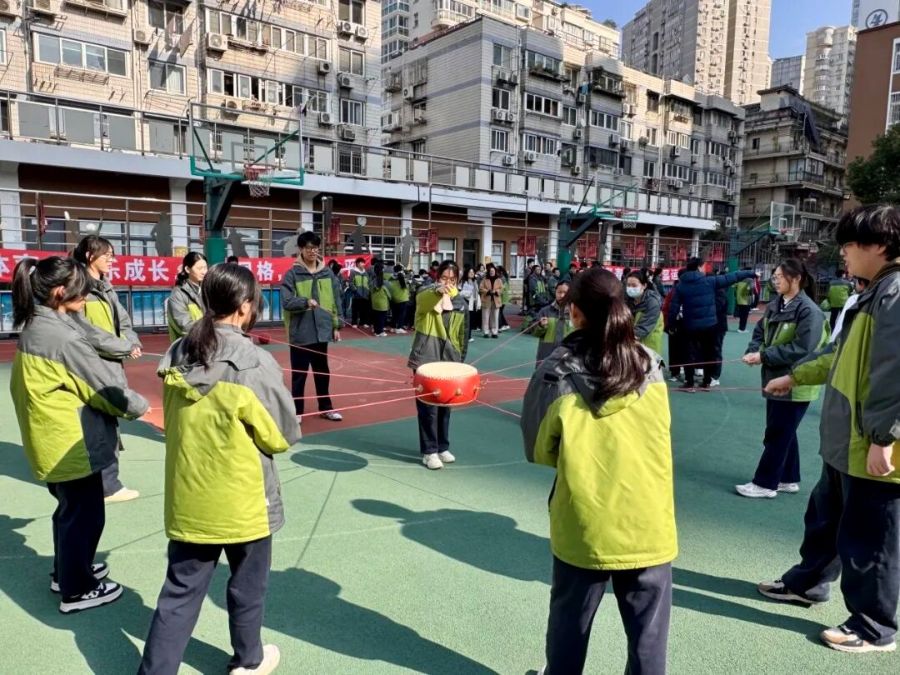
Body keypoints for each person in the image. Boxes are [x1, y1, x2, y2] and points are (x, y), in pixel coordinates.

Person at [139, 264, 300, 674]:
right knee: (248, 586)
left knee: (179, 593)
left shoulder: (179, 351)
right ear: (245, 305)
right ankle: (248, 659)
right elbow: (283, 433)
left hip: (190, 496)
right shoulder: (253, 361)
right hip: (244, 500)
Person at [756, 205, 900, 653]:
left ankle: (874, 627)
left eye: (850, 244)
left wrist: (885, 437)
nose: (843, 253)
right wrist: (795, 375)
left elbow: (896, 373)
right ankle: (809, 583)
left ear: (880, 246)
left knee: (871, 539)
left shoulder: (895, 294)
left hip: (874, 443)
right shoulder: (873, 292)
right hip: (846, 440)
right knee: (825, 519)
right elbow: (839, 355)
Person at [521, 267, 676, 675]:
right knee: (648, 639)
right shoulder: (652, 364)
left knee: (569, 625)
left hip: (585, 520)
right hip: (650, 519)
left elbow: (538, 449)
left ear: (574, 312)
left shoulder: (556, 372)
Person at [9, 256, 149, 613]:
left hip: (52, 436)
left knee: (70, 511)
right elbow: (101, 387)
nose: (85, 296)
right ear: (60, 292)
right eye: (80, 290)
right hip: (69, 440)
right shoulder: (61, 337)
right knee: (85, 515)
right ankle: (77, 588)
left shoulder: (42, 323)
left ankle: (70, 570)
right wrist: (139, 406)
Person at [736, 259, 828, 499]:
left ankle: (765, 484)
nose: (775, 281)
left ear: (796, 278)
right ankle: (788, 478)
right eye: (774, 277)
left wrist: (764, 355)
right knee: (785, 431)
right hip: (774, 377)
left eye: (779, 277)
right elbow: (759, 331)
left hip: (795, 382)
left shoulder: (809, 311)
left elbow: (803, 348)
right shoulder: (776, 304)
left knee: (777, 433)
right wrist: (754, 350)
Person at [72, 235, 143, 504]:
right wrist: (123, 346)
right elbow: (87, 331)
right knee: (97, 426)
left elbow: (123, 321)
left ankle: (107, 483)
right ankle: (106, 486)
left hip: (111, 364)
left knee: (108, 424)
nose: (111, 260)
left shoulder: (107, 286)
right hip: (92, 366)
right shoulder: (78, 287)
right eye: (107, 255)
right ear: (90, 256)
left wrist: (131, 342)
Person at [408, 260, 469, 470]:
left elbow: (463, 334)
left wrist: (460, 361)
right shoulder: (427, 293)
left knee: (445, 406)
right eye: (444, 278)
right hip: (426, 358)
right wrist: (437, 291)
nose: (448, 282)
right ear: (437, 277)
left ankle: (442, 446)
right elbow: (422, 299)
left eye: (452, 279)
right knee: (428, 407)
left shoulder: (461, 303)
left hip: (450, 360)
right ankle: (429, 451)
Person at [281, 231, 344, 423]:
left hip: (322, 332)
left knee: (322, 372)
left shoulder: (327, 273)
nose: (312, 251)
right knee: (299, 375)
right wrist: (305, 302)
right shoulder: (292, 274)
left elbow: (336, 300)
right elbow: (287, 302)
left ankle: (326, 408)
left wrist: (336, 325)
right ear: (301, 249)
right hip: (300, 332)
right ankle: (297, 411)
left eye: (315, 248)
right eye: (308, 248)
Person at [667, 257, 756, 391]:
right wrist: (750, 273)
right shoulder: (709, 281)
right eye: (704, 266)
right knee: (709, 353)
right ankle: (706, 382)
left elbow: (674, 307)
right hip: (709, 325)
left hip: (690, 325)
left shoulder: (681, 285)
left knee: (689, 353)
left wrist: (671, 324)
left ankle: (689, 383)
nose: (705, 269)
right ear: (699, 267)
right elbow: (731, 277)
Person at [167, 252, 208, 341]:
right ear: (187, 269)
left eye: (205, 268)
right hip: (186, 346)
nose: (204, 272)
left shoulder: (207, 291)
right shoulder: (178, 295)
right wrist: (210, 332)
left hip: (207, 344)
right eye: (199, 268)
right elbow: (184, 326)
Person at [533, 280, 572, 365]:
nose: (562, 295)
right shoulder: (545, 311)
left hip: (568, 356)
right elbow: (535, 333)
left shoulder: (575, 313)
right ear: (555, 292)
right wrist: (541, 326)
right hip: (546, 353)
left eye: (565, 293)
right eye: (559, 292)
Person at [625, 270, 664, 356]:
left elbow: (644, 327)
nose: (630, 288)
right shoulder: (628, 301)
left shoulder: (652, 302)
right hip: (632, 345)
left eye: (634, 285)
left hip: (649, 346)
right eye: (628, 285)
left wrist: (625, 338)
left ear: (644, 286)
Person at [662, 271, 689, 382]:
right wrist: (668, 324)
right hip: (677, 323)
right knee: (676, 348)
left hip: (684, 323)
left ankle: (681, 372)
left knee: (682, 349)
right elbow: (666, 308)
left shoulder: (676, 290)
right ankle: (676, 372)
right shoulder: (674, 291)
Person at [829, 277, 868, 343]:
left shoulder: (853, 299)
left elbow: (828, 293)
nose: (855, 284)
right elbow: (850, 290)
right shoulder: (847, 283)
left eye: (856, 282)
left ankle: (831, 331)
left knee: (834, 318)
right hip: (843, 302)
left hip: (834, 303)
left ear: (861, 283)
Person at [479, 263, 504, 339]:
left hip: (496, 301)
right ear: (488, 272)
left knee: (495, 317)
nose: (492, 272)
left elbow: (502, 289)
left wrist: (496, 291)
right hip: (486, 300)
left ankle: (494, 332)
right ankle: (486, 332)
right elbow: (481, 288)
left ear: (495, 271)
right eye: (490, 271)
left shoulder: (499, 280)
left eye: (493, 271)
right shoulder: (485, 279)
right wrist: (488, 291)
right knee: (485, 317)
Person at [387, 264, 410, 334]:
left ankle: (393, 327)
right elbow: (407, 287)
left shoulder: (390, 278)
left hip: (393, 298)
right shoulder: (403, 278)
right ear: (401, 270)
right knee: (401, 314)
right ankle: (399, 327)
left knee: (394, 314)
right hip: (402, 298)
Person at [460, 266, 481, 342]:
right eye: (470, 272)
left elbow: (477, 293)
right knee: (466, 321)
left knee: (471, 321)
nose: (472, 273)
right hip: (466, 303)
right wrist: (468, 293)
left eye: (473, 272)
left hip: (473, 303)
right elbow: (460, 292)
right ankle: (465, 337)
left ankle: (469, 336)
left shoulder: (475, 282)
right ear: (467, 273)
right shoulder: (463, 282)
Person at [370, 263, 391, 337]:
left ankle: (376, 331)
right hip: (383, 302)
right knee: (382, 318)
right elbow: (389, 293)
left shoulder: (372, 280)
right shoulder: (384, 282)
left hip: (375, 302)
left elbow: (370, 290)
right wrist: (390, 297)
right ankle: (380, 331)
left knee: (376, 317)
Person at [349, 257, 371, 328]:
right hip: (356, 294)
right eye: (362, 263)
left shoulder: (365, 273)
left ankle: (363, 322)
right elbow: (351, 283)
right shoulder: (353, 272)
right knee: (355, 310)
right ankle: (354, 323)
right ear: (358, 264)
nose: (363, 264)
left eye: (364, 263)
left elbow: (368, 283)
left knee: (364, 310)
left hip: (365, 295)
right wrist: (355, 290)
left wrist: (368, 291)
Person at [735, 269, 755, 333]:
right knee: (745, 316)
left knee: (741, 315)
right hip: (746, 300)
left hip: (739, 300)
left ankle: (740, 328)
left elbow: (734, 287)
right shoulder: (750, 280)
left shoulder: (739, 280)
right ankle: (742, 329)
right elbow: (751, 288)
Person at [497, 265, 511, 332]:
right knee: (500, 312)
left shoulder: (502, 278)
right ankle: (505, 324)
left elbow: (501, 288)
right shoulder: (504, 277)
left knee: (499, 312)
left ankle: (502, 325)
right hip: (504, 297)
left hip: (502, 297)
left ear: (500, 272)